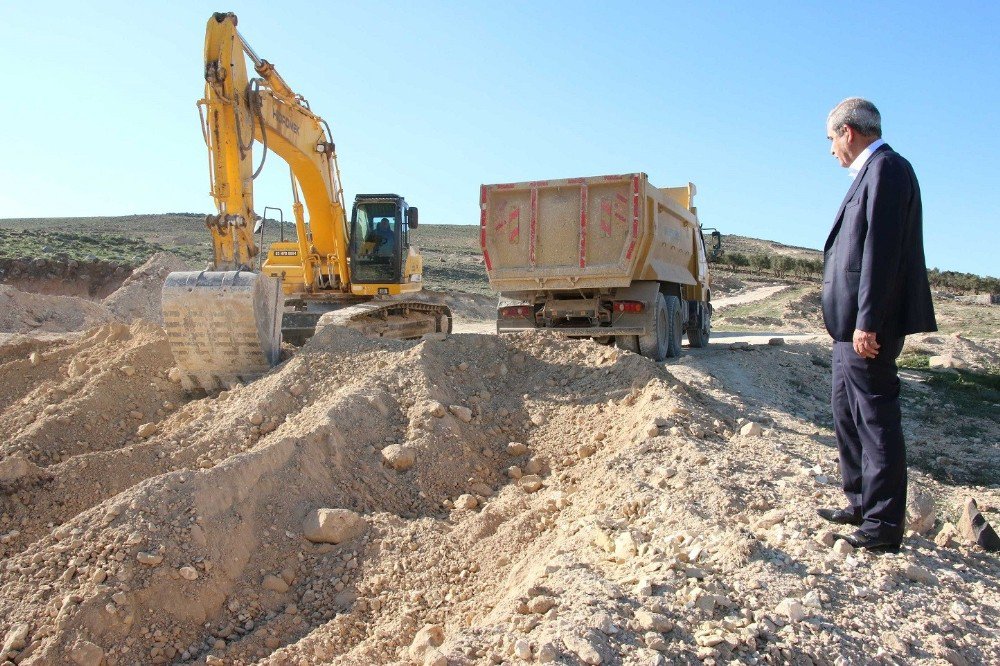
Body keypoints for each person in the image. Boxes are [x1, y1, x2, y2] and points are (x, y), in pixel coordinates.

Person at [818, 98, 937, 552]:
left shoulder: (887, 169)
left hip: (867, 328)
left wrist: (868, 320)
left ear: (848, 131)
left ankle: (884, 527)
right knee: (847, 414)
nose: (831, 149)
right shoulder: (871, 173)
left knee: (875, 420)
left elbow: (882, 254)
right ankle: (861, 501)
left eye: (831, 139)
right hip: (848, 330)